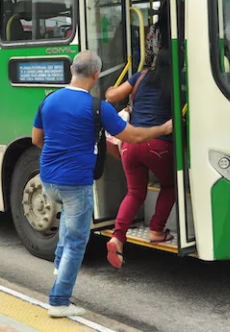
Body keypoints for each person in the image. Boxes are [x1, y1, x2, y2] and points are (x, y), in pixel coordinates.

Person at [32, 50, 173, 318]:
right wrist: (163, 130)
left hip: (48, 179)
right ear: (96, 75)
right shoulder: (97, 107)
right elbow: (132, 135)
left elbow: (36, 139)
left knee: (66, 220)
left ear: (72, 68)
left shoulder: (48, 101)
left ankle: (59, 264)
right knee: (76, 241)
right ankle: (59, 301)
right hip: (76, 182)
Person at [104, 49, 175, 268]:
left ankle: (117, 237)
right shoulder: (178, 79)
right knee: (170, 186)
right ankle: (156, 230)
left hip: (130, 143)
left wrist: (109, 89)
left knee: (135, 192)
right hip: (159, 143)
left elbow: (112, 96)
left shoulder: (141, 76)